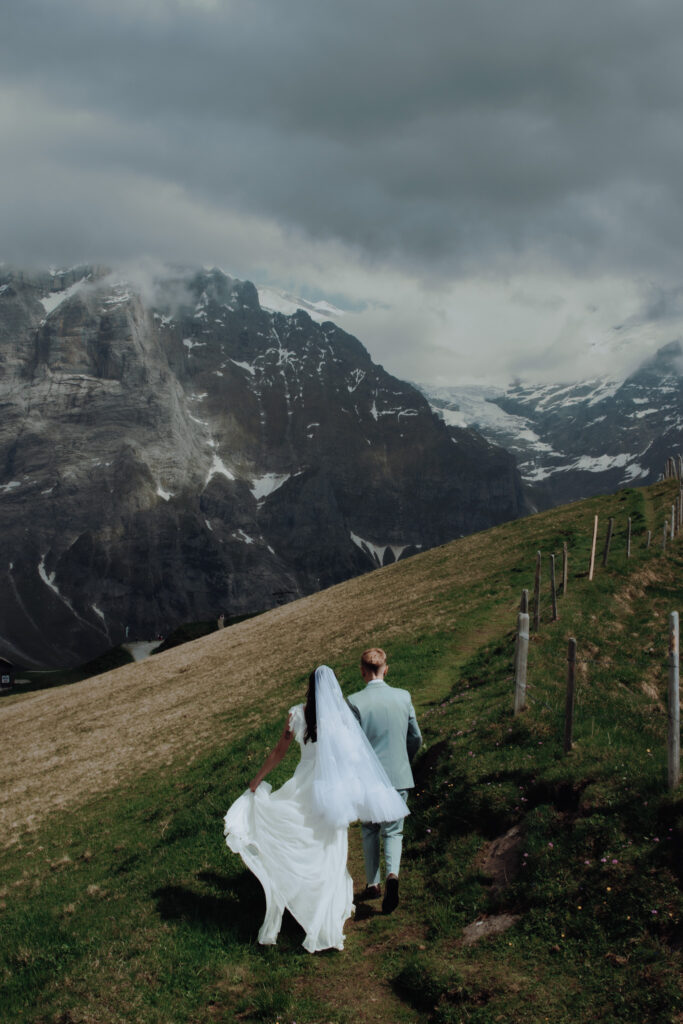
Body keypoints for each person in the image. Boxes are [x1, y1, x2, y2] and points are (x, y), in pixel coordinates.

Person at [223, 664, 408, 953]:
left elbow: (279, 752)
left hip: (304, 783)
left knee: (303, 839)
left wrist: (257, 780)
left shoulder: (296, 714)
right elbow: (354, 754)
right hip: (331, 789)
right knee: (329, 847)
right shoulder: (341, 717)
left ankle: (304, 900)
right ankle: (323, 908)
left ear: (309, 687)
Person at [348, 647, 422, 915]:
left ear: (362, 671)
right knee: (394, 831)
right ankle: (393, 875)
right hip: (399, 775)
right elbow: (416, 738)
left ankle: (373, 883)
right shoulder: (403, 697)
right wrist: (405, 759)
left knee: (369, 829)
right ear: (385, 669)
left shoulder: (354, 701)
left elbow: (352, 745)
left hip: (369, 779)